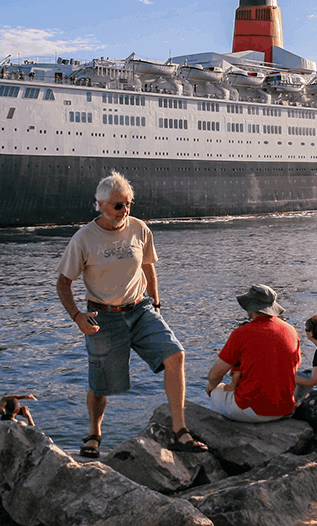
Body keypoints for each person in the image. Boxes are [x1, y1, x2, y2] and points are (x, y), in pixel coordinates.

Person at [56, 172, 206, 458]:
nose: (124, 211)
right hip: (103, 316)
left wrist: (156, 305)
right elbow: (63, 282)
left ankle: (180, 430)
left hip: (140, 309)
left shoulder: (139, 229)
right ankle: (94, 434)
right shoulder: (84, 238)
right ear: (100, 205)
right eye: (118, 206)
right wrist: (77, 316)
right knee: (99, 384)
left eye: (128, 204)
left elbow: (148, 266)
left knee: (176, 355)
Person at [204, 285, 301, 423]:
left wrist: (211, 386)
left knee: (215, 389)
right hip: (285, 408)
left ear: (251, 307)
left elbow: (214, 375)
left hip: (252, 410)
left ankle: (218, 429)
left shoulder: (241, 333)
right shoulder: (291, 331)